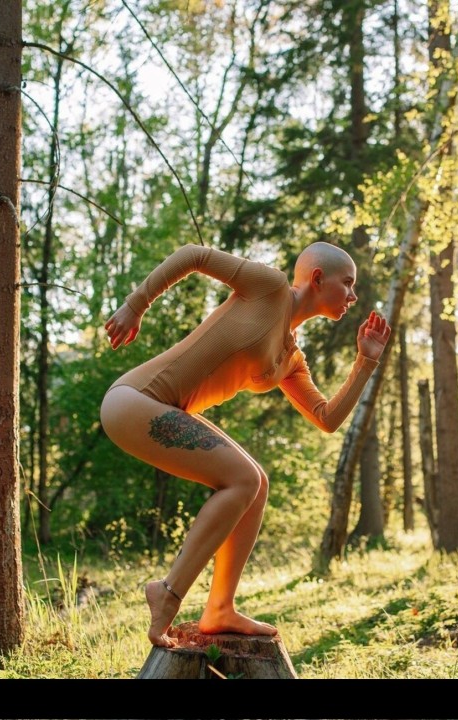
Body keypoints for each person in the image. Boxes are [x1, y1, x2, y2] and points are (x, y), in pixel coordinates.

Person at [100, 241, 391, 647]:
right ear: (317, 278)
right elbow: (193, 255)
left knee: (256, 484)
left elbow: (327, 418)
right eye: (348, 283)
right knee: (243, 479)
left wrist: (366, 360)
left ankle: (220, 609)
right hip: (133, 400)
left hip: (162, 411)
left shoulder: (290, 358)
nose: (353, 295)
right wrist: (136, 305)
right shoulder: (269, 287)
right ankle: (167, 593)